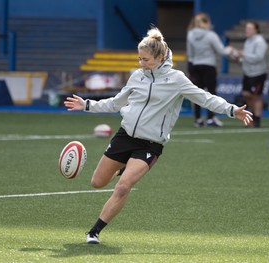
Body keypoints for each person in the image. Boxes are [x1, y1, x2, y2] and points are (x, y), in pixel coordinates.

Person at [64, 27, 253, 244]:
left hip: (150, 144)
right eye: (139, 59)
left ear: (160, 57)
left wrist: (232, 110)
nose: (141, 63)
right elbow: (116, 103)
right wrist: (87, 105)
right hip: (125, 136)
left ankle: (94, 232)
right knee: (97, 183)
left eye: (145, 60)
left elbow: (205, 98)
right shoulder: (137, 76)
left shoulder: (177, 79)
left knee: (123, 187)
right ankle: (125, 167)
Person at [186, 13, 234, 127]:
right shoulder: (211, 35)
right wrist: (230, 50)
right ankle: (211, 118)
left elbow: (190, 54)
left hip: (196, 66)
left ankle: (197, 119)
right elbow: (221, 51)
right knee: (211, 93)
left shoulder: (191, 35)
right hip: (209, 66)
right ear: (206, 22)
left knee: (197, 94)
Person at [235, 21, 268, 127]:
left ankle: (257, 119)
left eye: (249, 28)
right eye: (246, 28)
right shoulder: (248, 41)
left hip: (258, 73)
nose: (247, 30)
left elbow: (259, 57)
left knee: (256, 96)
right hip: (248, 72)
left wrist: (244, 54)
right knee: (246, 94)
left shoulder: (260, 41)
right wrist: (240, 58)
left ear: (256, 30)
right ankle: (252, 115)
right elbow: (247, 57)